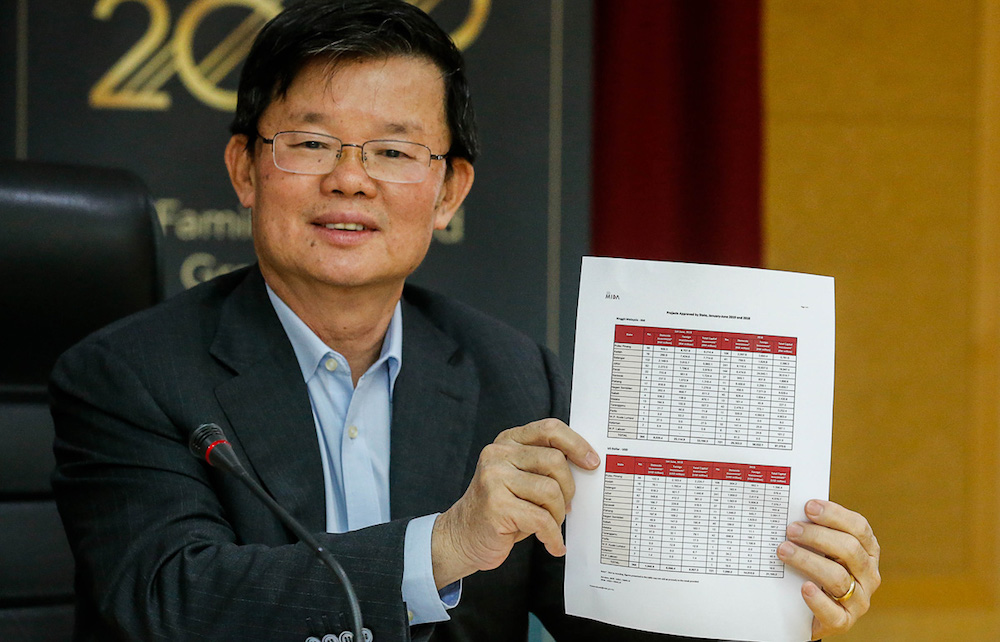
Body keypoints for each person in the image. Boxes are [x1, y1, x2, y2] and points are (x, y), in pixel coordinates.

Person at [50, 1, 881, 640]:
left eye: (393, 151)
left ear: (449, 192)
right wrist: (444, 545)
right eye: (310, 142)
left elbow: (611, 622)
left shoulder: (514, 377)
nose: (350, 179)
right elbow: (171, 603)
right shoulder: (130, 375)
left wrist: (777, 603)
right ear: (245, 169)